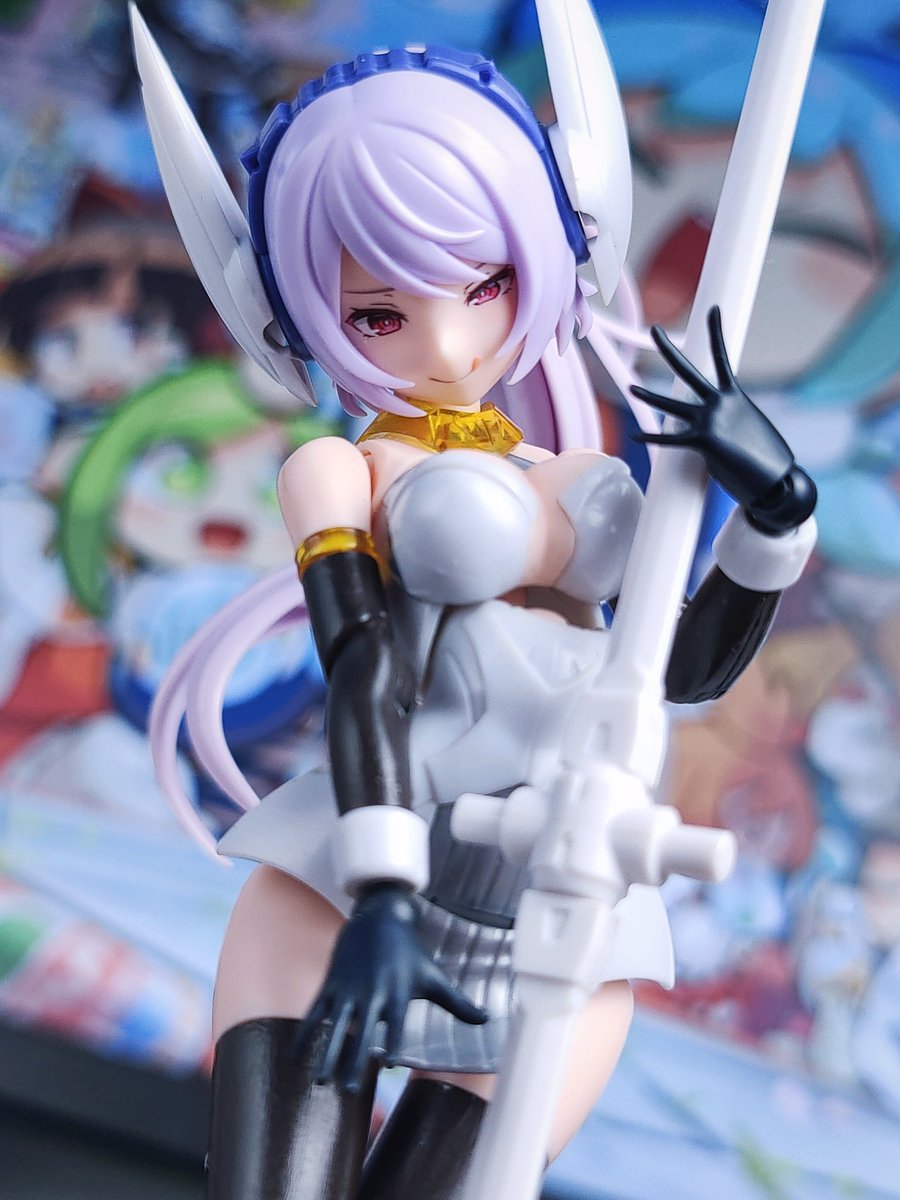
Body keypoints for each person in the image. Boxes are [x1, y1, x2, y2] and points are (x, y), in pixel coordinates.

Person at [145, 44, 817, 1200]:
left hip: (554, 916)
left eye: (485, 284)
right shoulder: (341, 472)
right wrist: (383, 891)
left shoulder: (574, 471)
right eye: (377, 313)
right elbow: (365, 667)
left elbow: (678, 673)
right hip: (347, 895)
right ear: (299, 311)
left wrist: (776, 517)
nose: (448, 345)